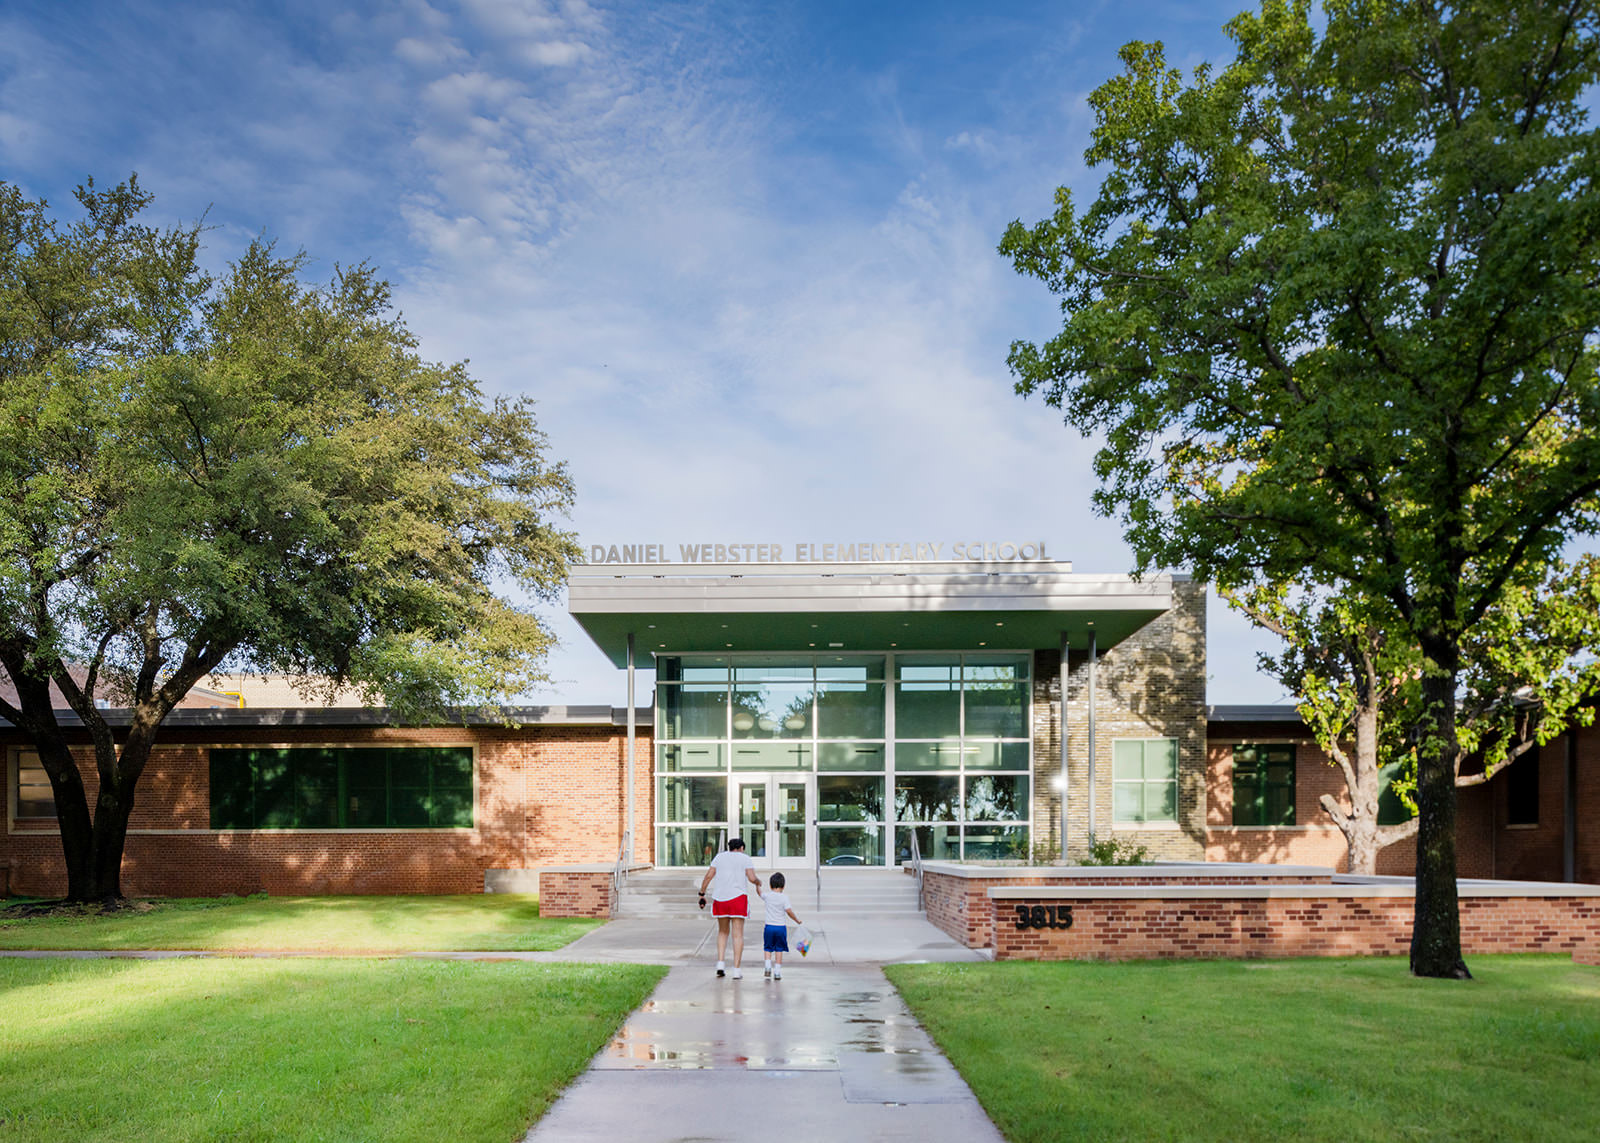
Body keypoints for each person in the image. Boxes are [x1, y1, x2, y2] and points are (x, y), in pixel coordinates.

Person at [698, 835, 762, 978]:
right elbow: (752, 878)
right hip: (738, 899)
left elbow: (709, 876)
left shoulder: (719, 857)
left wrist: (702, 893)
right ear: (741, 848)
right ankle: (736, 970)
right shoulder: (745, 858)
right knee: (737, 934)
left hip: (720, 899)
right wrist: (759, 882)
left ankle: (720, 963)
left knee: (722, 932)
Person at [761, 871, 803, 980]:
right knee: (779, 949)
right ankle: (777, 972)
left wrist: (757, 885)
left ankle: (767, 967)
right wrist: (797, 920)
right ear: (783, 886)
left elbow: (759, 893)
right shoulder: (784, 897)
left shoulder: (767, 896)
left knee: (768, 948)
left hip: (769, 927)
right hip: (780, 928)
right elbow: (789, 911)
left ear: (770, 885)